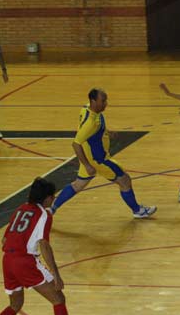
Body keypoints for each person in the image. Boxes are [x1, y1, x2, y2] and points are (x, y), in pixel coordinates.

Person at [0, 177, 96, 315]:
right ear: (46, 199)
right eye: (53, 197)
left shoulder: (20, 210)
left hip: (7, 261)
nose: (54, 199)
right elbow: (44, 246)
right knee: (58, 298)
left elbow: (4, 240)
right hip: (25, 262)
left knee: (15, 304)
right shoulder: (44, 215)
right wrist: (56, 275)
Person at [50, 88, 156, 218]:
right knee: (125, 181)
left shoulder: (87, 108)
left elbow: (91, 132)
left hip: (89, 156)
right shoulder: (91, 123)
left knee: (78, 185)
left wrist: (106, 132)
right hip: (99, 160)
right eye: (103, 101)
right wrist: (87, 165)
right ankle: (137, 211)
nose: (106, 103)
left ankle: (51, 209)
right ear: (93, 101)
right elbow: (76, 144)